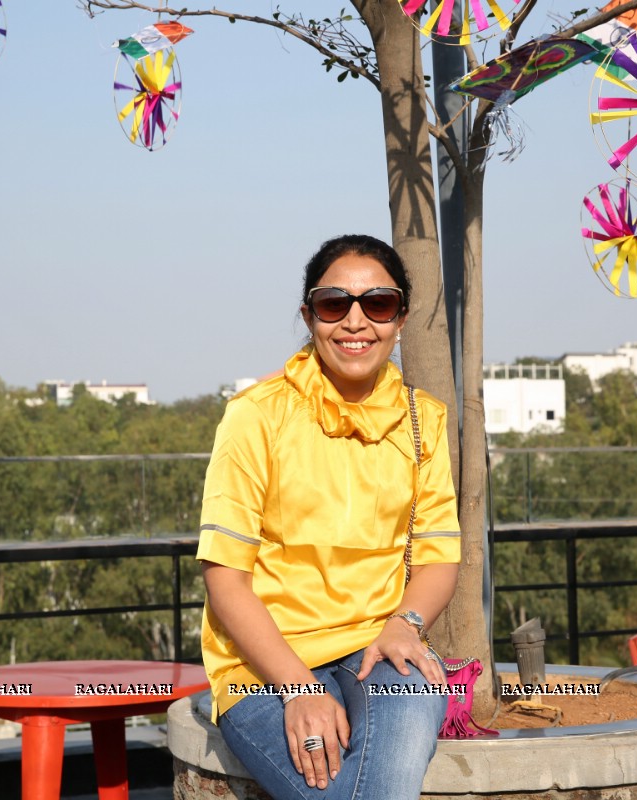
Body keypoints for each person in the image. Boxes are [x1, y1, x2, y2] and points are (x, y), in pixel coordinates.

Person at [196, 234, 463, 799]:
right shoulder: (255, 417)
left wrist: (405, 624)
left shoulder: (424, 422)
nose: (356, 321)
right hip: (263, 663)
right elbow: (225, 578)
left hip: (380, 651)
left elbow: (440, 557)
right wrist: (298, 688)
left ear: (401, 318)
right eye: (334, 304)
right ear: (309, 315)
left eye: (379, 304)